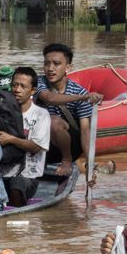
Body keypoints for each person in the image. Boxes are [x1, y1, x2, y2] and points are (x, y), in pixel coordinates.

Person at [35, 43, 102, 175]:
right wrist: (81, 98)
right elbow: (49, 98)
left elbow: (85, 131)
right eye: (47, 64)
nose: (50, 68)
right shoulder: (38, 82)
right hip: (41, 142)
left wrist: (90, 165)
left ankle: (67, 160)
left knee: (53, 121)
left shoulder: (80, 92)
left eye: (56, 64)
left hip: (70, 146)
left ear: (68, 67)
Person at [0, 66, 51, 207]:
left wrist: (10, 139)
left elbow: (36, 147)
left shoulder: (40, 114)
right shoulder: (0, 111)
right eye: (14, 85)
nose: (17, 90)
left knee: (17, 185)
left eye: (23, 86)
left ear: (33, 91)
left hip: (27, 176)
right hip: (0, 173)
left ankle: (16, 216)